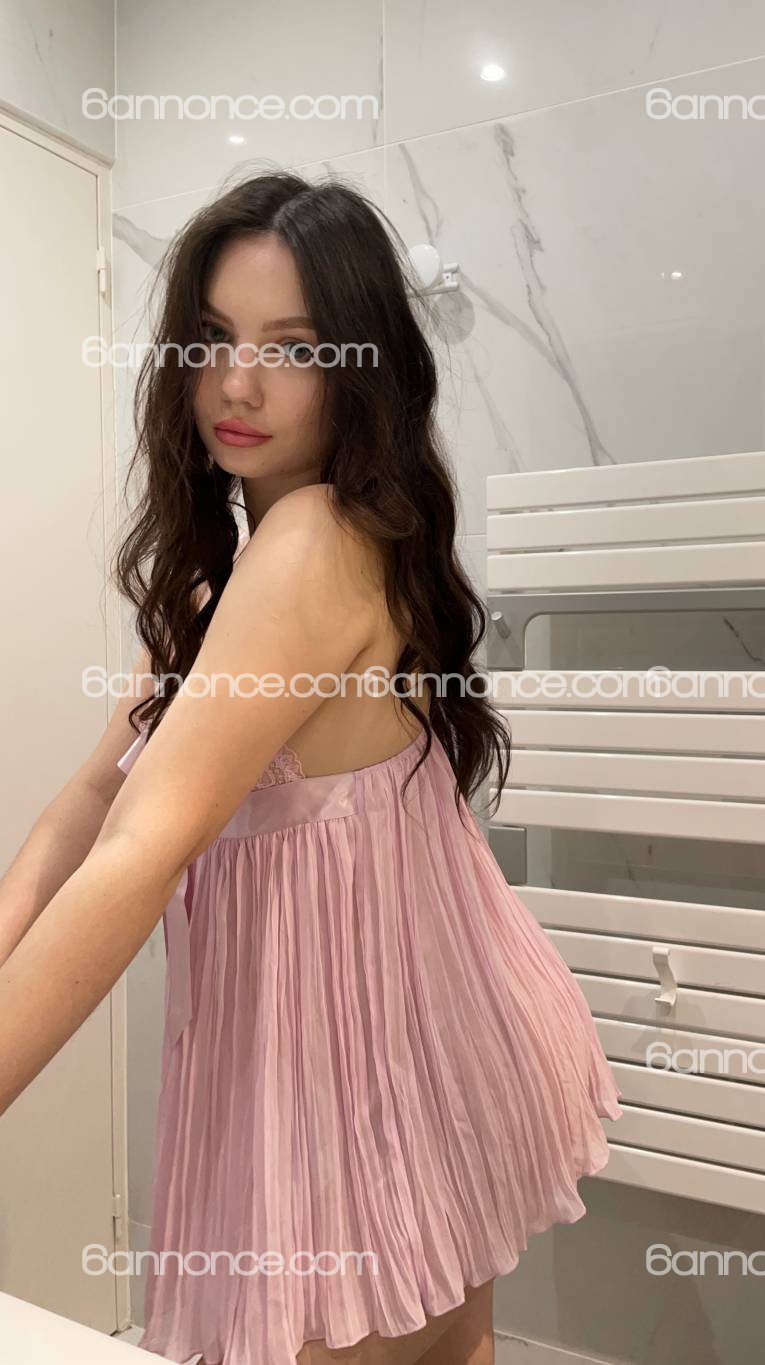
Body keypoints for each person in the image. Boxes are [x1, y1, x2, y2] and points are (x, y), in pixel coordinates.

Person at [0, 169, 622, 1365]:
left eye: (292, 349)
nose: (237, 384)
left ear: (362, 370)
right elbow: (94, 799)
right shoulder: (226, 583)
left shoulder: (312, 543)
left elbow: (139, 848)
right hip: (421, 1058)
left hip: (349, 1103)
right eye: (213, 338)